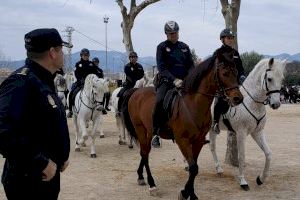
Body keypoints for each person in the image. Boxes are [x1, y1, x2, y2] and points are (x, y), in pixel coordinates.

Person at [0, 28, 71, 200]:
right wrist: (40, 162)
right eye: (61, 49)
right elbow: (3, 129)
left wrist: (60, 156)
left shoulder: (43, 80)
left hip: (44, 179)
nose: (64, 54)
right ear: (52, 53)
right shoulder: (22, 82)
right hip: (28, 181)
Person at [151, 21, 195, 148]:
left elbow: (190, 65)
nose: (173, 35)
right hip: (167, 81)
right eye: (171, 33)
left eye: (175, 33)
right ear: (166, 34)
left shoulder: (185, 47)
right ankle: (155, 133)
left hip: (184, 82)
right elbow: (162, 68)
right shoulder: (162, 47)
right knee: (159, 101)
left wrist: (190, 77)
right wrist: (174, 79)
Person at [211, 28, 246, 134]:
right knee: (220, 100)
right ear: (222, 39)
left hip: (235, 83)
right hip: (222, 84)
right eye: (228, 38)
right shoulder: (218, 53)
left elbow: (240, 68)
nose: (230, 40)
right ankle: (215, 122)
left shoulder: (235, 53)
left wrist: (242, 76)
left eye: (232, 38)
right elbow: (214, 69)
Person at [67, 48, 105, 117]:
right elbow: (76, 73)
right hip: (80, 82)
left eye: (87, 55)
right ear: (81, 55)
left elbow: (95, 72)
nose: (85, 56)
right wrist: (81, 80)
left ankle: (100, 106)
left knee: (100, 92)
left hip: (90, 84)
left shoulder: (91, 64)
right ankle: (70, 110)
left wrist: (98, 78)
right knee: (72, 93)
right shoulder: (78, 64)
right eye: (84, 55)